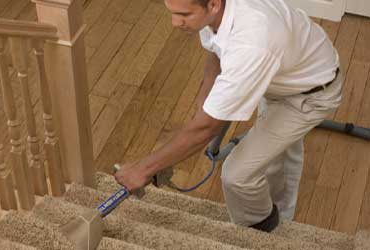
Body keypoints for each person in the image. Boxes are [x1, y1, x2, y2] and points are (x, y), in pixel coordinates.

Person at [115, 0, 342, 232]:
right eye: (172, 13)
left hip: (308, 94)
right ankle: (281, 216)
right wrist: (205, 100)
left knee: (237, 175)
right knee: (276, 155)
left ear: (212, 5)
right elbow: (217, 50)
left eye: (183, 14)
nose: (175, 23)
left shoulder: (253, 41)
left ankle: (263, 232)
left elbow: (206, 129)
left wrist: (143, 170)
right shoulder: (220, 12)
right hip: (286, 69)